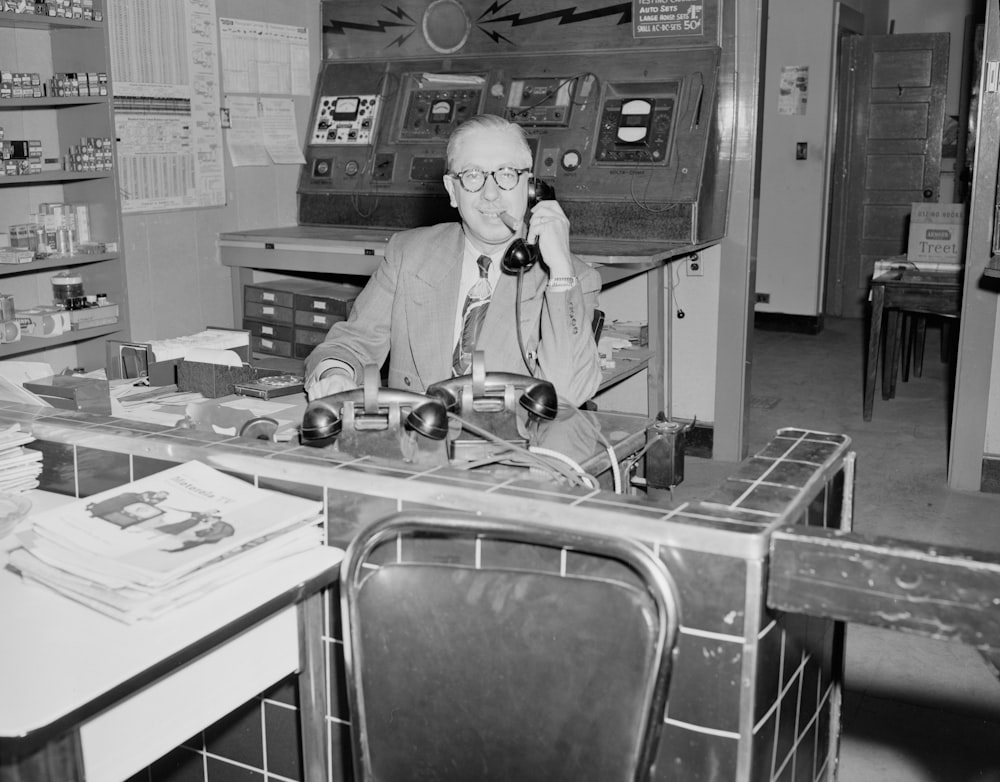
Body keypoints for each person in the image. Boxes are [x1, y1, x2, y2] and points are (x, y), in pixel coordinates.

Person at [304, 113, 602, 408]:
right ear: (452, 190)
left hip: (512, 446)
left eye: (507, 174)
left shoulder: (571, 278)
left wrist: (560, 271)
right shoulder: (409, 253)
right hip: (416, 442)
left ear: (531, 186)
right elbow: (352, 343)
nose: (490, 194)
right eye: (473, 175)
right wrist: (336, 375)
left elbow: (567, 395)